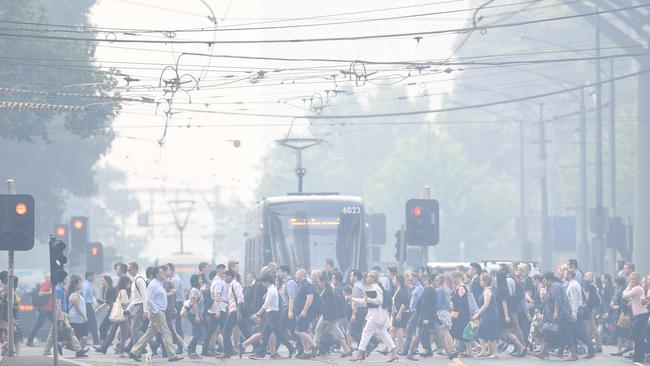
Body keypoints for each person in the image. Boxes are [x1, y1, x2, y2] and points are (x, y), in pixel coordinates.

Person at [128, 266, 184, 362]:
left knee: (148, 335)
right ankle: (171, 354)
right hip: (157, 313)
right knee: (166, 333)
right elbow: (148, 299)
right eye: (161, 272)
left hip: (159, 312)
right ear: (157, 274)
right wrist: (156, 310)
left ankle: (134, 351)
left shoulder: (159, 284)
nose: (164, 274)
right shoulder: (153, 284)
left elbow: (159, 297)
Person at [347, 270, 397, 362]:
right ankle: (394, 353)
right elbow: (364, 301)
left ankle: (360, 353)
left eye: (370, 277)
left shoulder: (375, 288)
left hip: (376, 315)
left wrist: (369, 299)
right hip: (377, 314)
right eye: (367, 276)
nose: (367, 278)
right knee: (384, 334)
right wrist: (352, 299)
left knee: (366, 333)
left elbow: (379, 301)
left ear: (374, 278)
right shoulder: (372, 287)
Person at [249, 274, 296, 359]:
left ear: (267, 282)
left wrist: (257, 314)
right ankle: (261, 354)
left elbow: (266, 305)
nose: (263, 284)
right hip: (271, 314)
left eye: (264, 282)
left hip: (272, 315)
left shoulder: (271, 290)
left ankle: (292, 350)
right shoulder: (271, 290)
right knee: (266, 335)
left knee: (277, 334)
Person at [43, 271, 88, 358]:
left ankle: (46, 350)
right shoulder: (59, 289)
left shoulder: (59, 288)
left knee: (53, 334)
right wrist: (61, 316)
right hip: (61, 312)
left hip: (60, 312)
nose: (67, 280)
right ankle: (78, 350)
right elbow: (58, 303)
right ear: (62, 279)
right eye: (66, 278)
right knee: (70, 330)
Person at [220, 269, 251, 358]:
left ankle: (227, 352)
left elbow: (240, 299)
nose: (224, 278)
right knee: (246, 332)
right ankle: (258, 347)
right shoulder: (231, 286)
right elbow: (232, 301)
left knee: (225, 331)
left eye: (225, 276)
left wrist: (238, 313)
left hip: (235, 312)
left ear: (230, 276)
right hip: (234, 310)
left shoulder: (236, 285)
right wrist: (222, 300)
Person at [623, 272, 648, 365]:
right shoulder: (636, 288)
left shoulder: (637, 288)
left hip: (642, 314)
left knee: (634, 336)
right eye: (630, 279)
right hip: (638, 315)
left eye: (633, 279)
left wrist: (629, 285)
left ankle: (646, 350)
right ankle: (638, 357)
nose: (631, 281)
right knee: (638, 337)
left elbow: (624, 295)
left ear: (637, 280)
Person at [473, 272, 499, 358]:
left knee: (490, 333)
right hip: (485, 315)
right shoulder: (486, 290)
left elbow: (486, 305)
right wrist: (478, 310)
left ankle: (495, 353)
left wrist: (477, 314)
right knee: (480, 333)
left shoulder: (488, 290)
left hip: (489, 315)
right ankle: (484, 351)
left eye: (481, 280)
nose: (480, 282)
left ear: (485, 281)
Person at [293, 268, 318, 359]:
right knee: (303, 331)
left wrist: (305, 310)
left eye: (296, 274)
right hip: (300, 312)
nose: (295, 276)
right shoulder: (302, 284)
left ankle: (314, 346)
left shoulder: (307, 285)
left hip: (305, 313)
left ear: (301, 275)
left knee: (299, 331)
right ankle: (306, 352)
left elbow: (310, 297)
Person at [26, 273, 52, 347]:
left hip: (48, 309)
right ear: (47, 278)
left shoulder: (49, 284)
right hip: (45, 309)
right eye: (48, 277)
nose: (50, 279)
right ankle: (29, 341)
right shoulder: (46, 284)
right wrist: (49, 292)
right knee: (39, 325)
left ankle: (30, 341)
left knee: (56, 324)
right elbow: (40, 293)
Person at [450, 271, 472, 356]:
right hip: (458, 313)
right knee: (458, 331)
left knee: (463, 331)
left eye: (453, 278)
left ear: (457, 277)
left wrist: (455, 306)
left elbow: (462, 302)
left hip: (461, 314)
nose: (452, 280)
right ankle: (457, 348)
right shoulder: (458, 287)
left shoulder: (461, 288)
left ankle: (469, 351)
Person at [390, 274, 410, 353]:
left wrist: (399, 313)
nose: (393, 280)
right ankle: (391, 347)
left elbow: (404, 303)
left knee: (398, 329)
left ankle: (399, 347)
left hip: (401, 312)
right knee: (393, 329)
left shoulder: (402, 290)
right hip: (396, 312)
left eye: (394, 279)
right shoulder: (398, 288)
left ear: (398, 280)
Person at [68, 275, 89, 349]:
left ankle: (78, 351)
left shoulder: (77, 293)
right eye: (79, 283)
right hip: (77, 319)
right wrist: (84, 317)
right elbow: (77, 308)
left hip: (79, 319)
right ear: (75, 285)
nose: (81, 285)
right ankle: (77, 350)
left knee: (80, 336)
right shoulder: (74, 295)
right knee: (83, 337)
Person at [186, 274, 204, 359]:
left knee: (197, 333)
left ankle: (192, 350)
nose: (201, 280)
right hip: (193, 314)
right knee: (199, 333)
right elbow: (194, 303)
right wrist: (197, 316)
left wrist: (200, 315)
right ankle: (190, 350)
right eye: (200, 279)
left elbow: (200, 305)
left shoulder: (198, 290)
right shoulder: (194, 290)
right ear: (196, 280)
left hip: (196, 314)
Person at [80, 271, 100, 345]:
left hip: (89, 305)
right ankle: (96, 340)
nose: (94, 278)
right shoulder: (86, 286)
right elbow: (83, 297)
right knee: (92, 323)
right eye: (93, 276)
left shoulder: (88, 285)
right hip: (87, 306)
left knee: (90, 323)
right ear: (89, 276)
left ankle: (92, 340)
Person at [167, 263, 185, 341]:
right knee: (173, 325)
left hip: (177, 303)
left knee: (177, 325)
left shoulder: (175, 280)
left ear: (171, 270)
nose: (166, 272)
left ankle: (180, 345)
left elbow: (174, 293)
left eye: (167, 270)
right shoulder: (170, 279)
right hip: (175, 303)